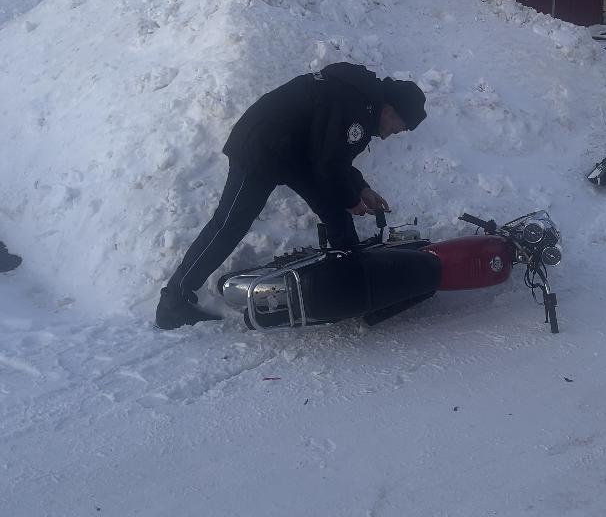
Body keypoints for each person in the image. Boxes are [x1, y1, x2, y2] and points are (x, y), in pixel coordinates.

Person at [155, 62, 427, 330]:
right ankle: (173, 301)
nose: (389, 136)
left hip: (292, 151)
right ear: (389, 110)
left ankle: (353, 272)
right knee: (230, 222)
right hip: (261, 146)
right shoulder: (357, 108)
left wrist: (360, 188)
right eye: (396, 129)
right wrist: (352, 199)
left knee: (331, 205)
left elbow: (334, 157)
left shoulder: (362, 104)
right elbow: (328, 165)